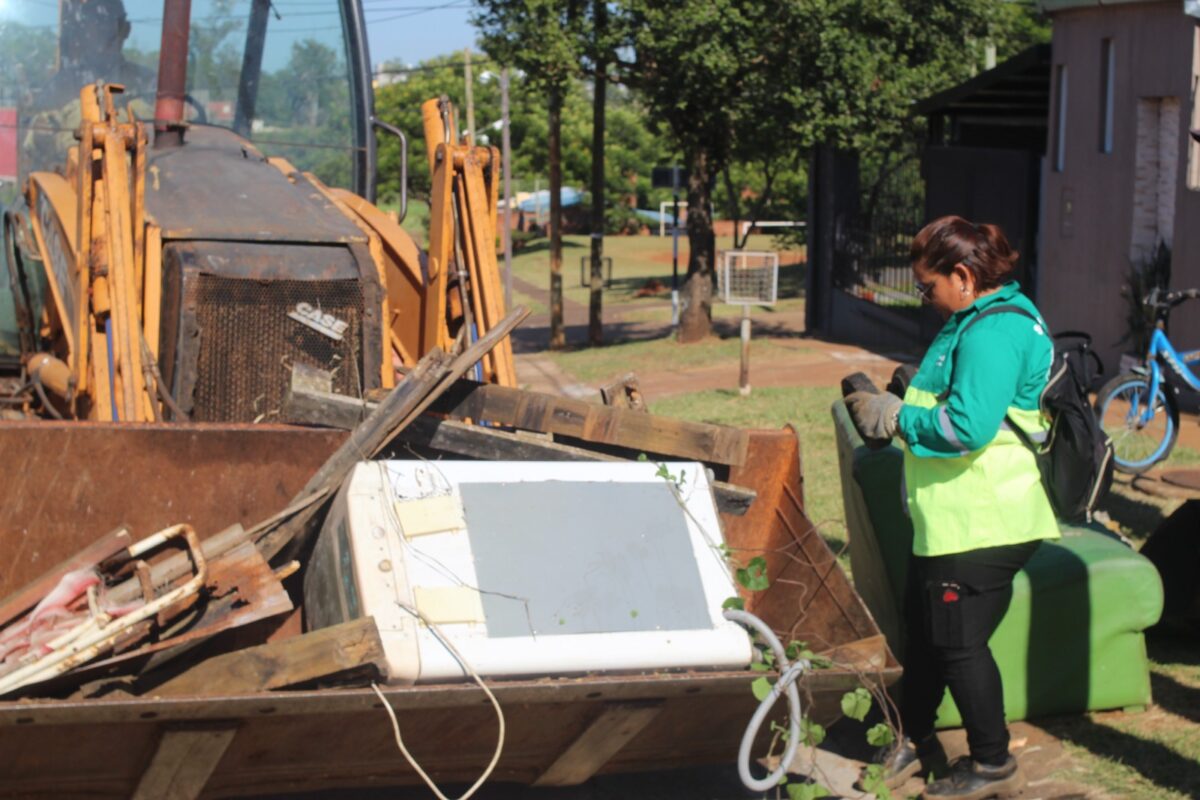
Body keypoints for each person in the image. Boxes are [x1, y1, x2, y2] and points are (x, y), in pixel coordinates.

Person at [845, 216, 1060, 800]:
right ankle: (913, 738)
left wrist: (895, 418)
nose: (924, 297)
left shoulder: (992, 331)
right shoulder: (978, 317)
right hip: (951, 517)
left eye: (927, 285)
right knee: (931, 637)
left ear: (963, 276)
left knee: (959, 646)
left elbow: (967, 426)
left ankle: (992, 764)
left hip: (981, 520)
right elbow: (965, 392)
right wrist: (913, 385)